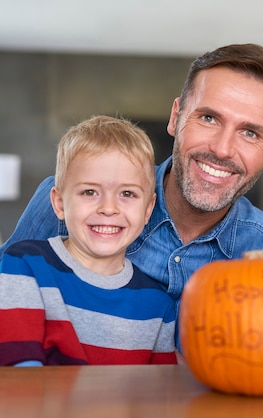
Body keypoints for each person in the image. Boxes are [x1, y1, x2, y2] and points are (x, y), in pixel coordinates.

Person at [0, 44, 263, 327]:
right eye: (209, 118)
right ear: (176, 117)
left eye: (250, 133)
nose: (222, 149)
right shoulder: (75, 205)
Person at [0, 115, 177, 365]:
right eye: (90, 192)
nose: (108, 208)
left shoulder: (158, 305)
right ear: (59, 203)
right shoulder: (24, 266)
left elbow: (159, 395)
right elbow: (21, 377)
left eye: (127, 193)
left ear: (148, 210)